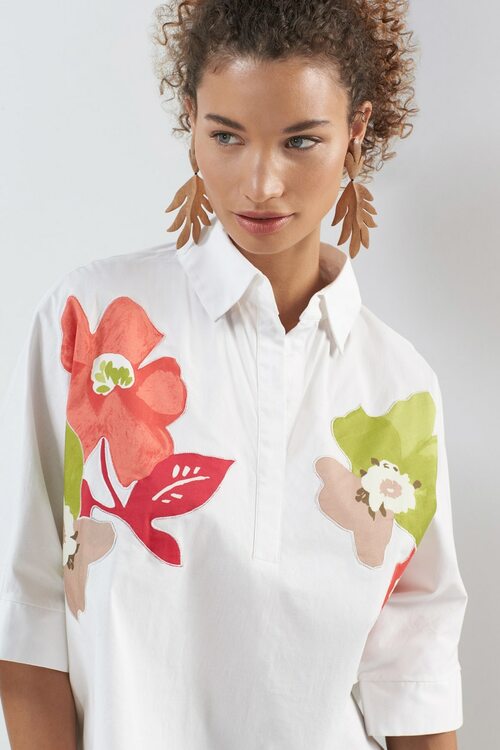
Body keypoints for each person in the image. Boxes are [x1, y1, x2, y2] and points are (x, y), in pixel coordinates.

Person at [0, 1, 468, 748]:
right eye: (227, 135)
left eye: (300, 141)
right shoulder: (93, 323)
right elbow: (30, 620)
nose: (261, 184)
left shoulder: (399, 388)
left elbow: (415, 678)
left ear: (356, 132)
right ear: (191, 123)